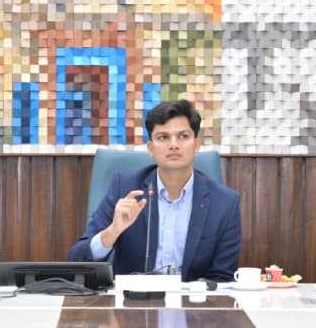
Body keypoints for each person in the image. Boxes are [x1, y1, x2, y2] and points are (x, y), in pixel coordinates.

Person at [68, 100, 241, 282]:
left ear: (196, 145)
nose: (174, 145)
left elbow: (223, 277)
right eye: (163, 137)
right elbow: (77, 261)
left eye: (183, 136)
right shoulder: (125, 188)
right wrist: (113, 231)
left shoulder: (225, 203)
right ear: (150, 148)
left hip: (192, 298)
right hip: (132, 298)